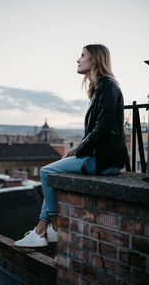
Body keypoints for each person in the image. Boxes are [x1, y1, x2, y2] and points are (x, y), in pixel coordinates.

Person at [15, 44, 127, 247]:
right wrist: (76, 149)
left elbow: (102, 129)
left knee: (46, 172)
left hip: (104, 160)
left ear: (94, 59)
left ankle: (52, 227)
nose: (78, 59)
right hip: (101, 156)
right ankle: (41, 230)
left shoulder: (108, 86)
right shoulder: (100, 87)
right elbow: (97, 129)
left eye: (82, 55)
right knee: (55, 172)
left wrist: (79, 149)